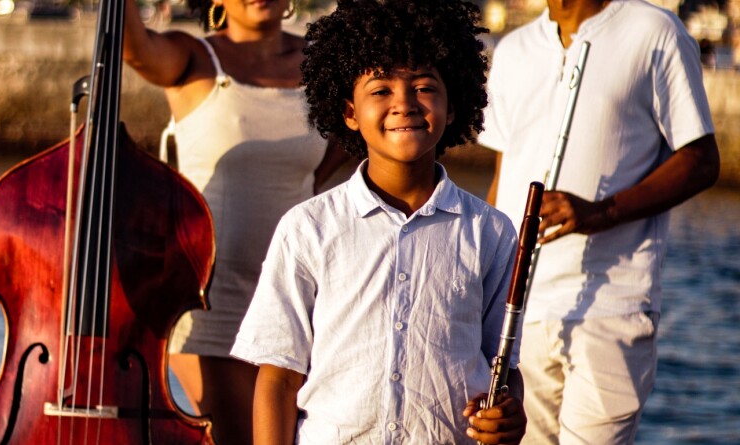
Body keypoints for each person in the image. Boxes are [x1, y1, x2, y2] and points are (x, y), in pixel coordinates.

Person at [229, 0, 527, 443]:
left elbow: (503, 366)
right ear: (348, 111)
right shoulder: (307, 228)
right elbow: (278, 378)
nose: (404, 104)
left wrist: (510, 415)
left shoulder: (492, 232)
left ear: (454, 101)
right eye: (381, 90)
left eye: (424, 87)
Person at [478, 0, 721, 443]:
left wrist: (598, 213)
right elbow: (502, 180)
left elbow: (701, 160)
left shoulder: (654, 30)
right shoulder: (513, 50)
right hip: (520, 311)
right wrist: (483, 294)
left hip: (612, 306)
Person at [122, 1, 349, 444]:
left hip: (301, 294)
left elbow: (346, 149)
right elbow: (135, 49)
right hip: (213, 299)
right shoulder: (193, 59)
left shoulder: (324, 64)